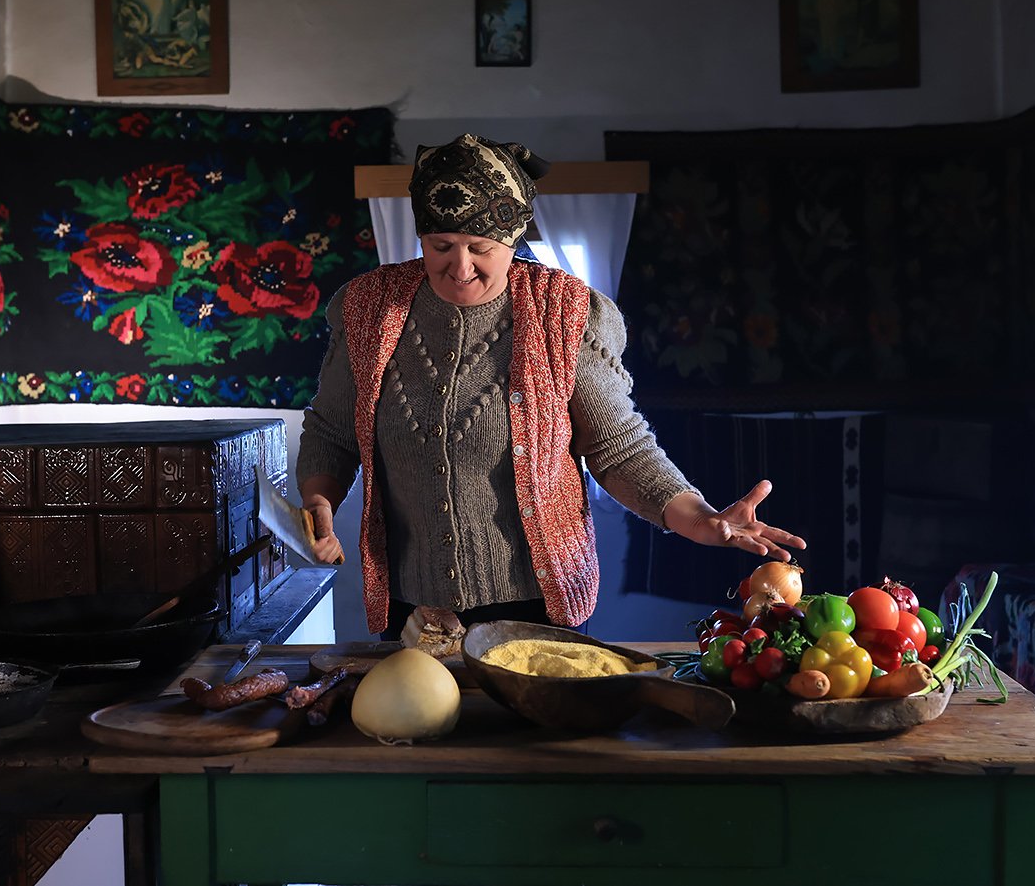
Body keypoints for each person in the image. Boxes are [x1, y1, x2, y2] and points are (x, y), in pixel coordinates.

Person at [296, 134, 805, 639]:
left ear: (513, 240)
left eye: (481, 248)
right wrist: (320, 498)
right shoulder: (369, 307)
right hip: (414, 602)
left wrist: (696, 518)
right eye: (441, 246)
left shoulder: (563, 313)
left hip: (537, 602)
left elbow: (618, 446)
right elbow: (332, 430)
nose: (460, 266)